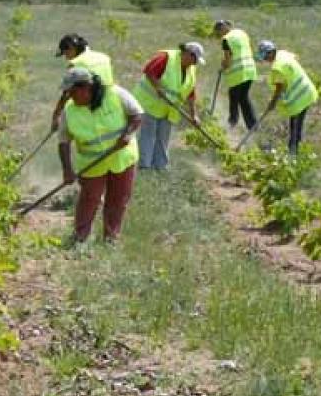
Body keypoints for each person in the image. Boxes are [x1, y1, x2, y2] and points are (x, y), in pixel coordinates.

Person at [57, 67, 142, 244]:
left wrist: (127, 135)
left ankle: (111, 238)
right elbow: (63, 142)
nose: (70, 96)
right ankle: (80, 238)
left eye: (72, 92)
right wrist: (67, 170)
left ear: (86, 87)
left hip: (122, 157)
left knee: (118, 199)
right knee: (89, 199)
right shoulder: (69, 110)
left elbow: (137, 115)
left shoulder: (116, 94)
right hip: (92, 163)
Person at [132, 42, 204, 170]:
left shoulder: (191, 69)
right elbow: (149, 71)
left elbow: (190, 93)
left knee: (163, 137)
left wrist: (194, 115)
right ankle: (145, 166)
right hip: (149, 103)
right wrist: (158, 87)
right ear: (188, 54)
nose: (195, 63)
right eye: (195, 60)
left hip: (169, 109)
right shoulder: (167, 57)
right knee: (149, 135)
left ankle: (160, 166)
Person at [254, 40, 318, 155]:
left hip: (299, 98)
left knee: (295, 128)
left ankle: (293, 156)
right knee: (296, 126)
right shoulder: (282, 54)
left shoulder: (277, 69)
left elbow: (279, 89)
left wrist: (272, 103)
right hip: (307, 91)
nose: (264, 60)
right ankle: (294, 152)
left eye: (265, 56)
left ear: (270, 52)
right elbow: (295, 57)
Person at [51, 33, 115, 131]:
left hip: (88, 108)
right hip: (111, 106)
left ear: (72, 49)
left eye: (66, 53)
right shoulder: (104, 57)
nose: (66, 58)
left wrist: (56, 115)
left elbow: (68, 92)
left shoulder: (76, 63)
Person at [214, 20, 257, 129]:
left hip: (239, 73)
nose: (220, 34)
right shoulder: (242, 33)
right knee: (243, 98)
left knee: (234, 96)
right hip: (250, 69)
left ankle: (232, 123)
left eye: (219, 32)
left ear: (222, 28)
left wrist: (222, 67)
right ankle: (252, 126)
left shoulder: (226, 39)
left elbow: (228, 61)